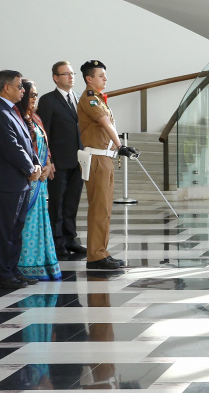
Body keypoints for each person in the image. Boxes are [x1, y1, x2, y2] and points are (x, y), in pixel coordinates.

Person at [0, 70, 42, 290]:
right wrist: (30, 168)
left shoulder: (12, 111)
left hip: (19, 181)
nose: (23, 91)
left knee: (15, 231)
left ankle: (12, 269)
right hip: (6, 182)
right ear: (6, 88)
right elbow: (11, 147)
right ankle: (2, 275)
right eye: (19, 86)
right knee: (4, 232)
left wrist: (35, 162)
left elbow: (27, 140)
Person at [77, 60, 136, 271]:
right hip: (97, 159)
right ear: (89, 79)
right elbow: (105, 123)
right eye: (101, 75)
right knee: (99, 209)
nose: (106, 79)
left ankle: (101, 252)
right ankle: (95, 256)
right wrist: (121, 145)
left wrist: (117, 148)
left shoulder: (99, 99)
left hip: (106, 158)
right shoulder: (90, 99)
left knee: (105, 209)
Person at [37, 61, 85, 259]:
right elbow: (43, 131)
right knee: (57, 203)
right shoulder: (48, 100)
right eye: (66, 74)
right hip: (58, 161)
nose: (71, 77)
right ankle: (57, 242)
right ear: (56, 78)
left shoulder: (78, 98)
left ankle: (69, 238)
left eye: (72, 73)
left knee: (72, 202)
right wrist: (48, 160)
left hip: (78, 160)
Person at [16, 79, 62, 281]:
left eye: (36, 95)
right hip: (28, 180)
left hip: (41, 181)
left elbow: (45, 143)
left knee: (42, 223)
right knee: (28, 225)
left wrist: (48, 163)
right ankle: (26, 265)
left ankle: (43, 263)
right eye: (32, 95)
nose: (35, 98)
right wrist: (35, 168)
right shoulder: (18, 119)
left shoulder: (36, 119)